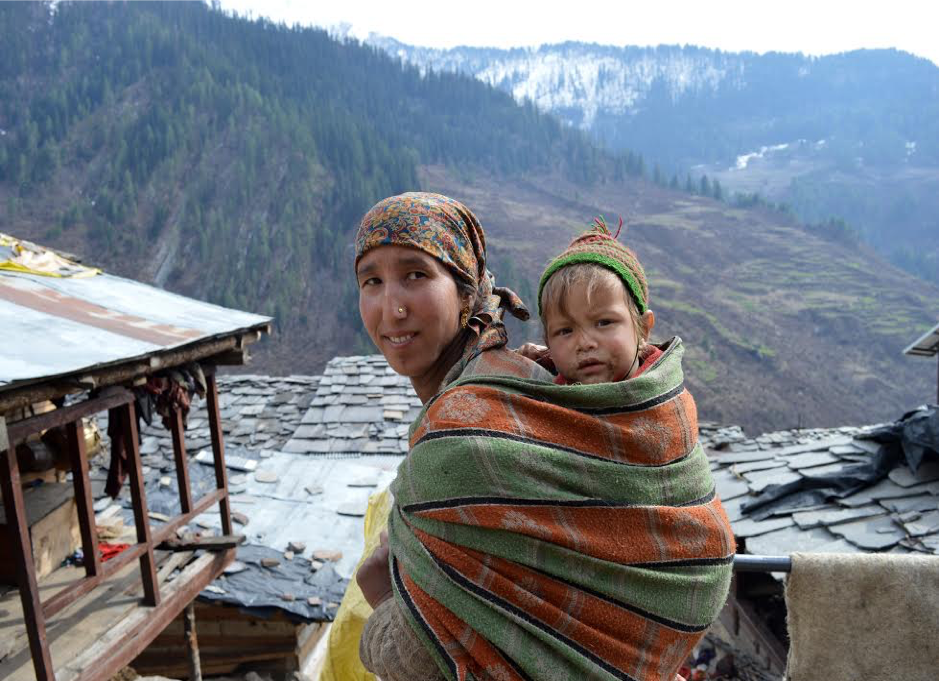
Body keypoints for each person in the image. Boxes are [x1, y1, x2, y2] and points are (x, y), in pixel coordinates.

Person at [348, 192, 733, 681]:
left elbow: (424, 658)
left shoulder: (464, 432)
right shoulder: (522, 383)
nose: (392, 307)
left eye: (416, 275)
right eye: (371, 281)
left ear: (466, 290)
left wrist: (382, 601)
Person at [536, 216, 660, 385]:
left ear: (643, 328)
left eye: (604, 323)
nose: (585, 344)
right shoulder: (532, 400)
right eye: (565, 331)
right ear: (548, 345)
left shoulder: (666, 400)